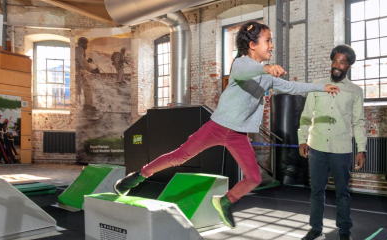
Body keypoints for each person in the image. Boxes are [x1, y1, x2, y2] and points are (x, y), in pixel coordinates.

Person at [113, 21, 340, 229]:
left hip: (238, 135)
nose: (271, 45)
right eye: (268, 40)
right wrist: (266, 68)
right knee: (180, 156)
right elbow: (243, 72)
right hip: (217, 127)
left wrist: (322, 88)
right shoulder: (241, 63)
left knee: (254, 178)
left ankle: (224, 201)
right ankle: (138, 176)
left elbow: (291, 88)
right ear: (252, 45)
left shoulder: (268, 77)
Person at [298, 45, 367, 240]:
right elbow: (305, 116)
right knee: (316, 191)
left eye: (342, 62)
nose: (337, 65)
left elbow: (359, 122)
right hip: (316, 147)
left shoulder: (355, 91)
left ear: (349, 66)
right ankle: (315, 229)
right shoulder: (317, 85)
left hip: (341, 149)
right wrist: (302, 139)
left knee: (343, 193)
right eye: (335, 61)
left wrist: (362, 149)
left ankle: (345, 232)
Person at [75, 37, 100, 111]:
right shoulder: (80, 49)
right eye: (85, 43)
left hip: (77, 72)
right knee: (87, 87)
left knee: (83, 88)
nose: (86, 45)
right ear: (82, 43)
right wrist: (92, 70)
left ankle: (87, 105)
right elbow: (82, 62)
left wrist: (87, 61)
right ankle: (87, 105)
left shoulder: (78, 49)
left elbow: (81, 61)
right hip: (78, 73)